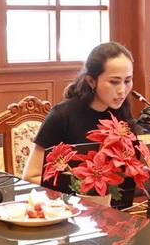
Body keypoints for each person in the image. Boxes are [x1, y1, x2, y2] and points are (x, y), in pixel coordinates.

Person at [23, 42, 138, 207]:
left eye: (128, 81)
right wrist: (82, 189)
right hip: (68, 210)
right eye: (114, 82)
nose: (122, 90)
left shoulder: (122, 115)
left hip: (115, 211)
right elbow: (30, 176)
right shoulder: (62, 116)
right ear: (91, 81)